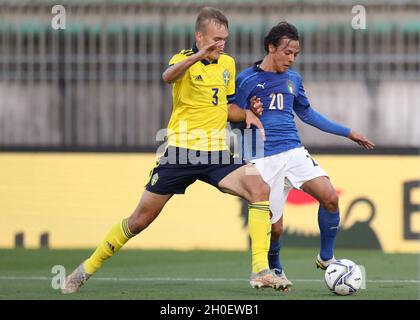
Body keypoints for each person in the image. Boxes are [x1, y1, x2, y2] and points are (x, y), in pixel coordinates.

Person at [61, 7, 292, 294]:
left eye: (224, 39)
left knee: (259, 188)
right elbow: (167, 77)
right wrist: (198, 55)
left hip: (217, 153)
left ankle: (261, 270)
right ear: (200, 36)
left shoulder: (228, 65)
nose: (221, 44)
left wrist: (246, 112)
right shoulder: (183, 60)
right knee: (139, 221)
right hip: (180, 153)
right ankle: (86, 269)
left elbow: (224, 106)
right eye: (216, 39)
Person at [230, 21, 375, 288]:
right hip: (262, 158)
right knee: (275, 229)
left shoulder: (293, 79)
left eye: (295, 54)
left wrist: (347, 132)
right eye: (287, 52)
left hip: (294, 152)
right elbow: (231, 117)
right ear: (271, 48)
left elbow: (306, 113)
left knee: (330, 197)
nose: (291, 59)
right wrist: (248, 114)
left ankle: (326, 258)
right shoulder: (246, 80)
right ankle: (275, 268)